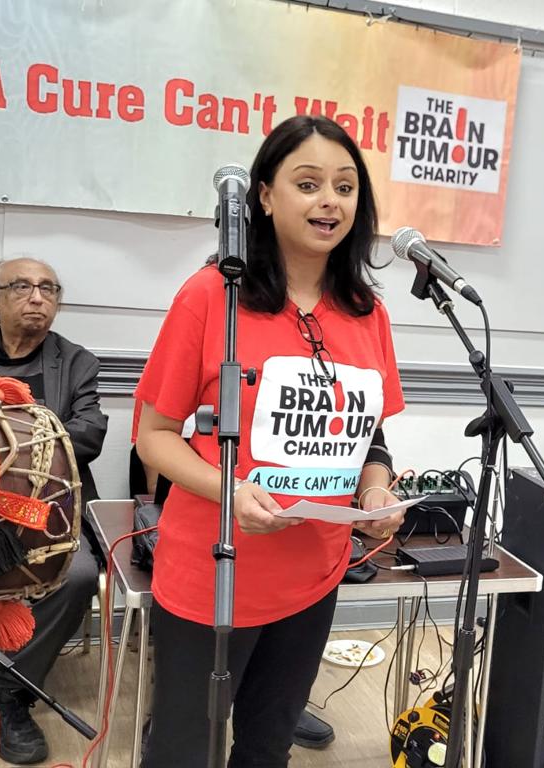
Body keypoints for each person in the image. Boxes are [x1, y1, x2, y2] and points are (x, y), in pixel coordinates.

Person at [135, 114, 405, 768]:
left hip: (314, 574)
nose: (330, 201)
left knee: (267, 746)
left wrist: (375, 493)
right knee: (183, 749)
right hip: (214, 573)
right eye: (308, 183)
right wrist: (228, 491)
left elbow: (367, 435)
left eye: (345, 187)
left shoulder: (368, 313)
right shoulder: (211, 298)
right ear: (263, 196)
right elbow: (154, 437)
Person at [0, 257, 106, 765]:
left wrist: (25, 438)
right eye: (22, 286)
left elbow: (90, 432)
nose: (38, 297)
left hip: (46, 511)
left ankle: (8, 689)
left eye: (49, 288)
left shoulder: (77, 360)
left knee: (79, 574)